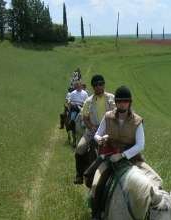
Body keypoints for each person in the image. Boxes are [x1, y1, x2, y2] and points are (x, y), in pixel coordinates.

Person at [87, 86, 163, 219]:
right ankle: (96, 215)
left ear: (129, 102)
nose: (122, 104)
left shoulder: (137, 121)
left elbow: (140, 145)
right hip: (109, 155)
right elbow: (98, 134)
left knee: (159, 181)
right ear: (115, 102)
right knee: (95, 185)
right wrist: (99, 139)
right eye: (119, 101)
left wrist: (123, 155)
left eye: (125, 101)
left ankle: (152, 213)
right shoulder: (108, 117)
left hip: (131, 157)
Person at [73, 75, 115, 184]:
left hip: (109, 131)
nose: (98, 86)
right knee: (80, 147)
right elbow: (85, 118)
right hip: (93, 131)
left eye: (100, 84)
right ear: (93, 87)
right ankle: (79, 175)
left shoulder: (112, 98)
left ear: (104, 85)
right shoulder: (88, 101)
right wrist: (91, 127)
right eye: (95, 85)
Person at [68, 81, 89, 146]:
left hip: (82, 108)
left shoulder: (85, 93)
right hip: (75, 108)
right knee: (72, 118)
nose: (78, 88)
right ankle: (73, 131)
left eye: (79, 86)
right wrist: (69, 101)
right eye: (77, 86)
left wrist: (84, 102)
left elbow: (88, 101)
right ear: (76, 87)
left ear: (81, 86)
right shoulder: (73, 93)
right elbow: (69, 99)